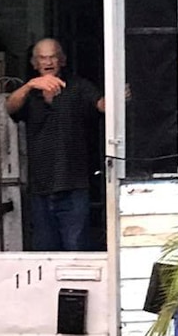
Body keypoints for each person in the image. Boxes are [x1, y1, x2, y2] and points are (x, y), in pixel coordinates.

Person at [6, 38, 105, 251]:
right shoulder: (29, 93)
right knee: (45, 251)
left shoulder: (79, 86)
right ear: (34, 64)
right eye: (42, 57)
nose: (48, 61)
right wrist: (31, 84)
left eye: (53, 56)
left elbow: (102, 105)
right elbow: (10, 108)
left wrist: (119, 95)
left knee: (76, 249)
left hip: (74, 185)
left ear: (62, 60)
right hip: (40, 187)